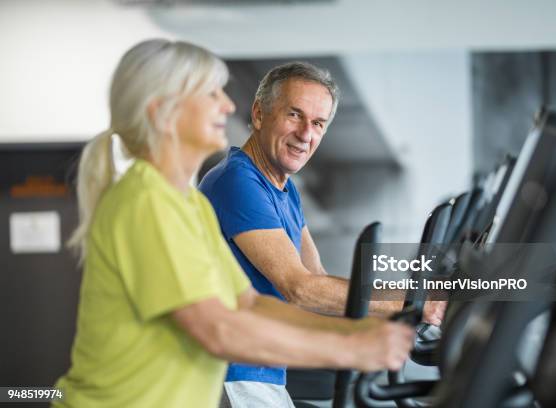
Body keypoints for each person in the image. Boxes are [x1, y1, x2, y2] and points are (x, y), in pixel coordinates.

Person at [52, 39, 413, 408]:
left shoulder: (187, 202)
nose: (226, 105)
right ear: (163, 111)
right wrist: (351, 347)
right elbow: (216, 328)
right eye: (210, 94)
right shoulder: (148, 201)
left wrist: (362, 330)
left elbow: (250, 304)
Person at [199, 62, 446, 407]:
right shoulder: (237, 181)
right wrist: (412, 301)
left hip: (262, 373)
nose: (305, 134)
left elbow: (317, 280)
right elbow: (299, 287)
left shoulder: (285, 189)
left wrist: (402, 309)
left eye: (317, 123)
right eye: (294, 115)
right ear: (258, 114)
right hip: (230, 376)